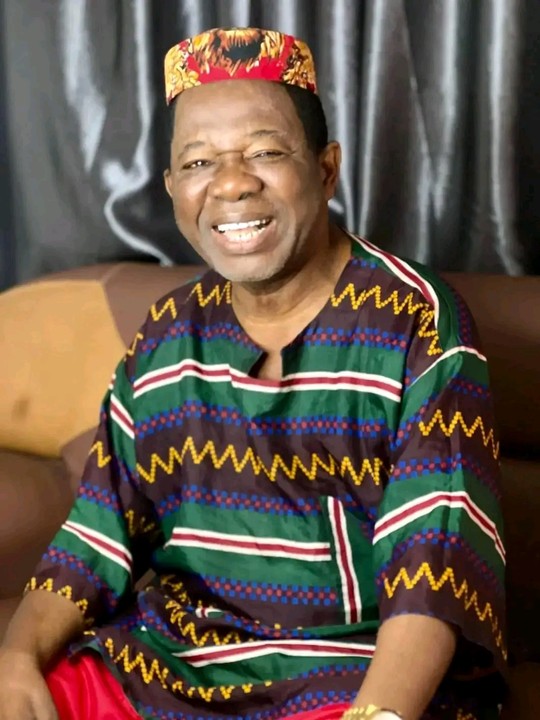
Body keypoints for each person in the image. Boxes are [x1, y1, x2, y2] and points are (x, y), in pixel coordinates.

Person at [0, 27, 506, 720]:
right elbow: (96, 534)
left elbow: (435, 559)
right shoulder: (167, 334)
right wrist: (17, 657)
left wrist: (378, 715)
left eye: (266, 152)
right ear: (173, 188)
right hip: (168, 671)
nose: (232, 183)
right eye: (199, 162)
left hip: (350, 678)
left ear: (326, 170)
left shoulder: (414, 319)